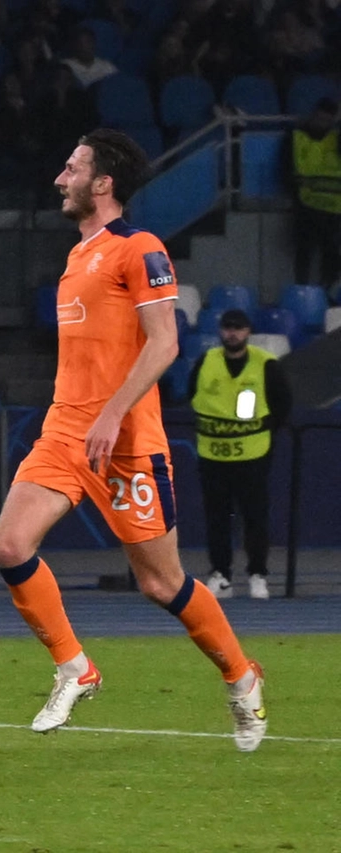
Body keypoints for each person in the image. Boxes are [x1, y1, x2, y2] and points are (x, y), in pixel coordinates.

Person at [0, 128, 266, 751]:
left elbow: (165, 343)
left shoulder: (139, 248)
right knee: (10, 546)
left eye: (71, 168)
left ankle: (241, 674)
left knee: (160, 584)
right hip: (65, 430)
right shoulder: (74, 257)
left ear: (102, 182)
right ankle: (74, 668)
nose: (61, 179)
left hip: (126, 440)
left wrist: (113, 414)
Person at [187, 309, 293, 601]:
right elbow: (191, 394)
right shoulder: (206, 361)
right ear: (221, 331)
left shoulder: (265, 364)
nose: (232, 333)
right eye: (228, 328)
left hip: (252, 456)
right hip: (213, 456)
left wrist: (264, 432)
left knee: (255, 518)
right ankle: (221, 574)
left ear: (248, 332)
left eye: (239, 328)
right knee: (217, 518)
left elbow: (282, 403)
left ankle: (257, 574)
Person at [288, 97, 341, 291]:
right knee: (304, 251)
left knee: (331, 252)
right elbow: (287, 168)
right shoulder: (296, 136)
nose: (322, 123)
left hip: (334, 206)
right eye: (319, 118)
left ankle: (328, 290)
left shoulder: (337, 137)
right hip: (305, 204)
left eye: (327, 119)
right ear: (313, 114)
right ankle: (301, 290)